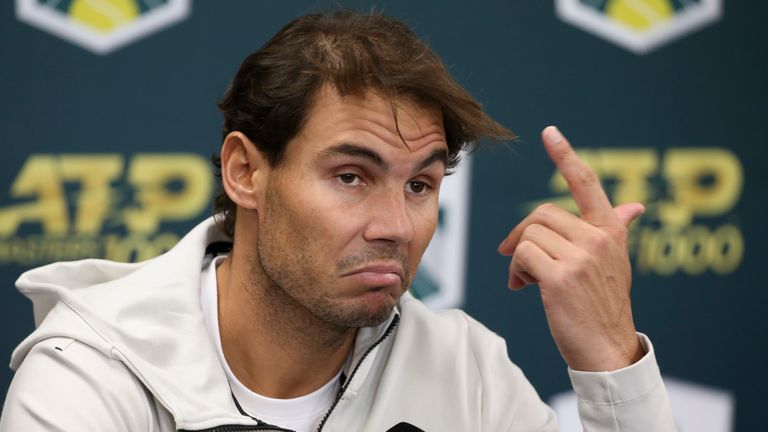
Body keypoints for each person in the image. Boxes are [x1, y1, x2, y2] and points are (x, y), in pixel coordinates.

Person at [0, 10, 675, 432]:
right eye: (351, 176)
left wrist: (609, 358)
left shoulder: (467, 370)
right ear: (246, 173)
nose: (396, 227)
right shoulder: (90, 374)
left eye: (420, 184)